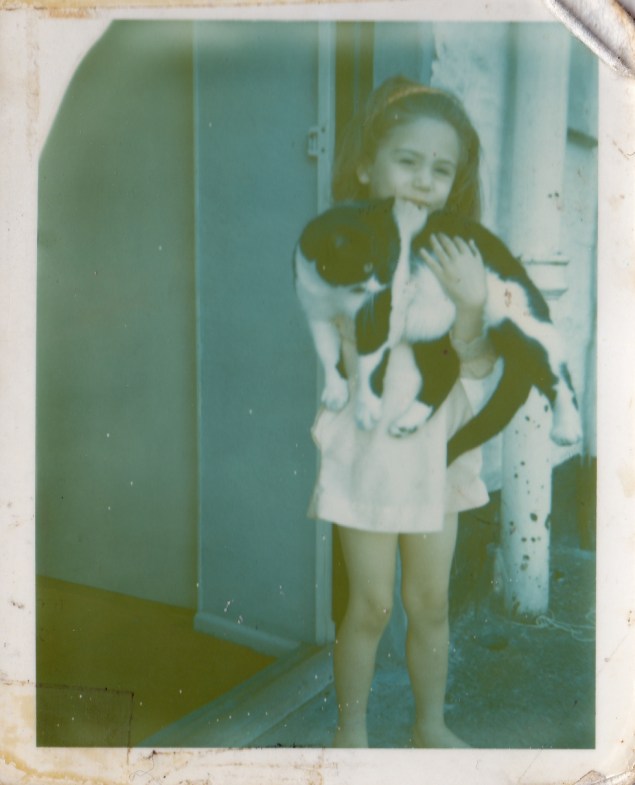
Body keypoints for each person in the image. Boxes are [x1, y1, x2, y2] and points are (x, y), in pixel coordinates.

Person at [306, 75, 498, 748]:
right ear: (366, 166)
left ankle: (429, 725)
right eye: (407, 161)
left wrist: (471, 304)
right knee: (371, 604)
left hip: (434, 453)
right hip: (371, 453)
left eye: (440, 170)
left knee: (431, 602)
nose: (423, 180)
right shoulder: (343, 248)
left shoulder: (459, 257)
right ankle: (351, 734)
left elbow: (478, 366)